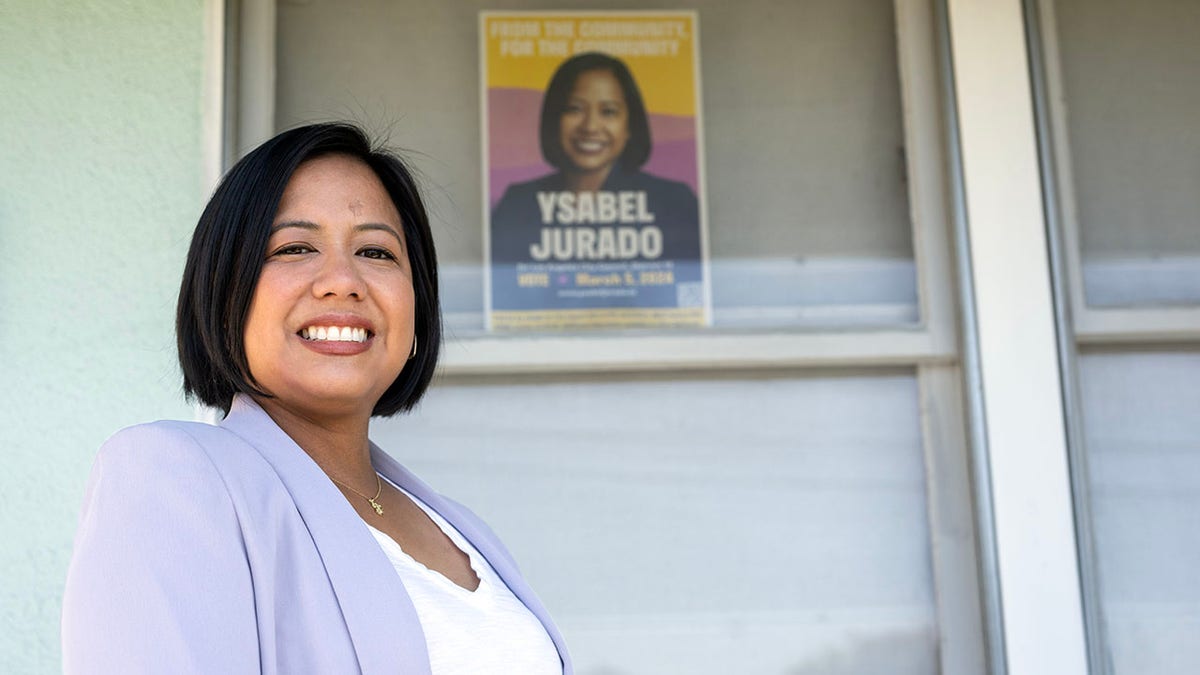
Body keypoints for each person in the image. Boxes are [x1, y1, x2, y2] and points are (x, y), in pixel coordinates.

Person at [62, 123, 572, 674]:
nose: (343, 281)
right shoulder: (172, 479)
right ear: (223, 289)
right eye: (295, 247)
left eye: (376, 252)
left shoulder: (464, 531)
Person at [490, 51, 701, 268]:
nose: (590, 127)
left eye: (608, 112)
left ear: (630, 126)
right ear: (554, 118)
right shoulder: (517, 205)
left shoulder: (675, 203)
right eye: (574, 109)